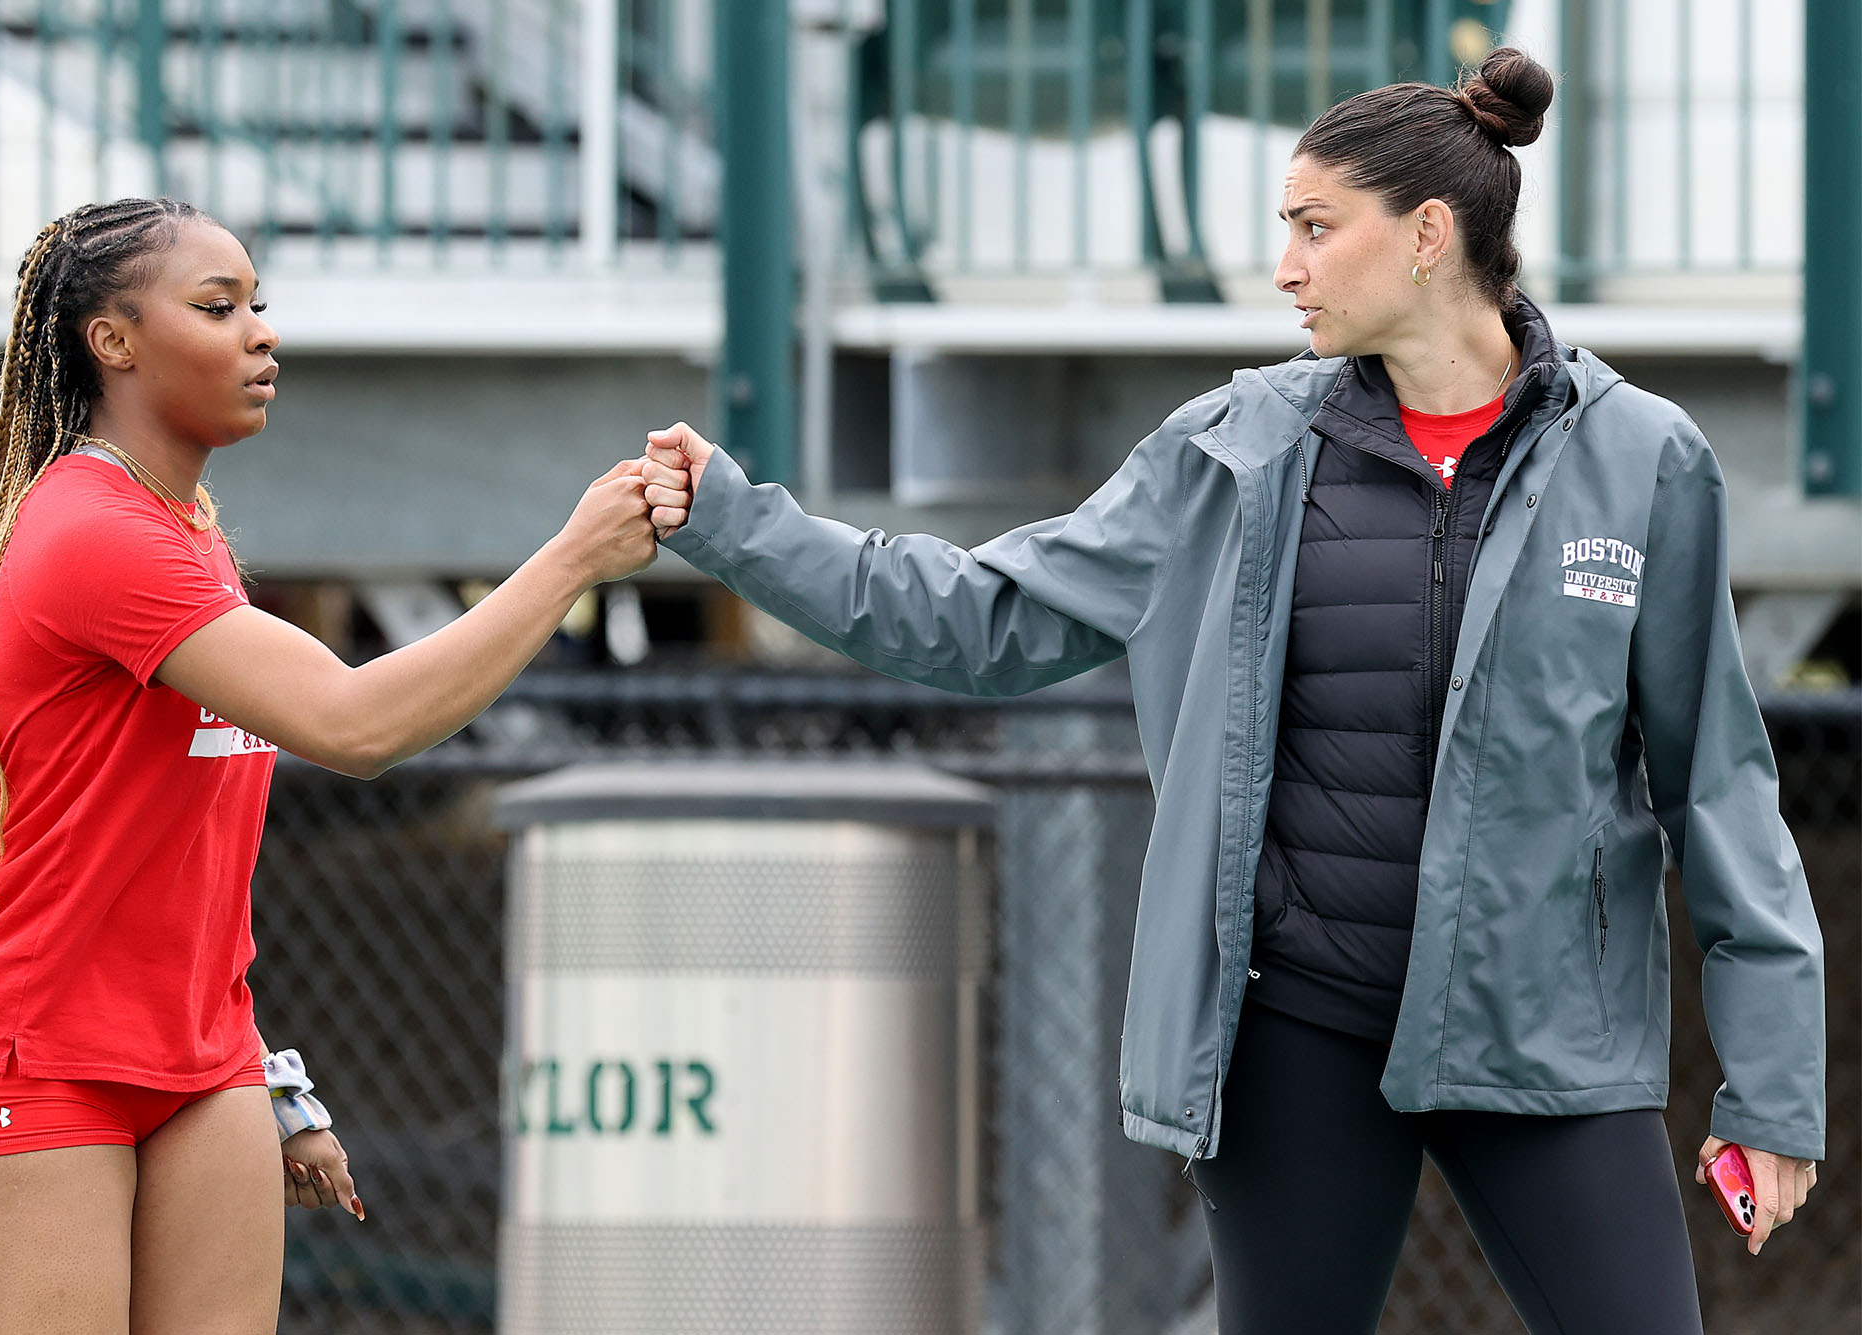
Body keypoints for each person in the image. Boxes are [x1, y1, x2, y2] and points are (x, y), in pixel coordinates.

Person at [639, 48, 1824, 1335]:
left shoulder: (1642, 459)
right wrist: (734, 521)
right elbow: (978, 618)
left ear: (1428, 235)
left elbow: (1719, 787)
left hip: (1546, 1042)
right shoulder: (1230, 450)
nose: (1285, 270)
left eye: (1315, 229)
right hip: (1294, 1040)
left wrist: (1768, 1089)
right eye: (1284, 233)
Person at [0, 197, 676, 1335]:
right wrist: (571, 560)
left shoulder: (188, 530)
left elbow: (177, 875)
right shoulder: (94, 530)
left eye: (258, 305)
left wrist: (267, 1075)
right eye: (218, 308)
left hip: (205, 1058)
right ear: (111, 341)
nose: (262, 333)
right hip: (31, 1063)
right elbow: (354, 724)